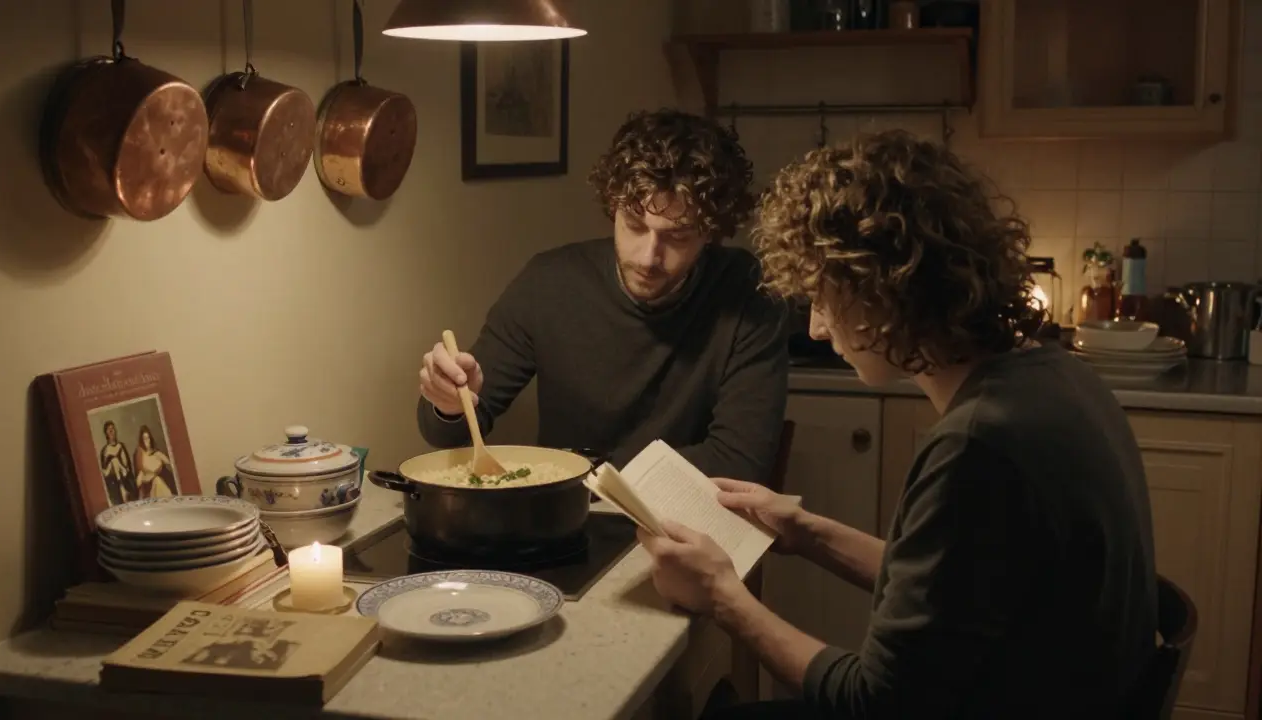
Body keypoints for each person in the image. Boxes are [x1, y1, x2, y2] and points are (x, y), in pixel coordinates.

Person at [636, 130, 1159, 718]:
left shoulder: (977, 445)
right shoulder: (1056, 374)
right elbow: (956, 590)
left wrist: (722, 598)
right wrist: (804, 531)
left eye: (823, 298)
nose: (815, 328)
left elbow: (876, 702)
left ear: (885, 292)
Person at [417, 109, 789, 482]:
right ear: (613, 205)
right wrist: (449, 406)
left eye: (677, 236)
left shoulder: (748, 291)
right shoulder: (549, 283)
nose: (648, 257)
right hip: (569, 518)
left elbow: (740, 461)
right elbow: (451, 434)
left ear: (711, 232)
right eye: (634, 224)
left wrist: (584, 473)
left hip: (687, 523)